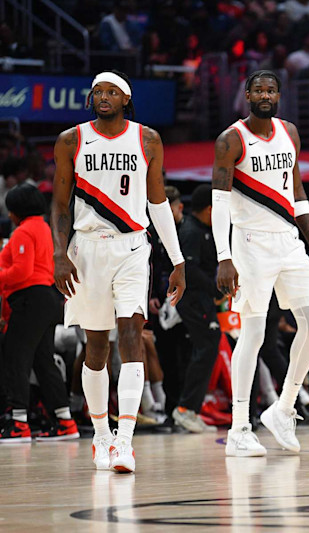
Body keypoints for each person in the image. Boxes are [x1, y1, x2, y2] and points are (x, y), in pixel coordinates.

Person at [52, 70, 186, 473]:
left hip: (132, 245)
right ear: (91, 98)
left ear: (127, 99)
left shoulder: (147, 139)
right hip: (87, 248)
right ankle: (101, 434)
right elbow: (59, 204)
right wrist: (60, 254)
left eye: (112, 92)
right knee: (96, 348)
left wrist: (177, 259)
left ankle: (125, 441)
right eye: (98, 92)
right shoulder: (71, 139)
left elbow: (159, 202)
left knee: (132, 334)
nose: (104, 97)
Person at [211, 70, 309, 457]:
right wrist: (224, 256)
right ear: (247, 95)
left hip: (289, 241)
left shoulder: (289, 132)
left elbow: (297, 190)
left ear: (279, 95)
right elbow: (220, 203)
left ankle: (283, 408)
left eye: (271, 89)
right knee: (254, 333)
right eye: (258, 89)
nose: (265, 94)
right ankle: (239, 428)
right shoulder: (231, 139)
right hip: (249, 244)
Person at [0, 184, 78, 443]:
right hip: (48, 299)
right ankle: (65, 421)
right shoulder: (45, 227)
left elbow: (21, 273)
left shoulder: (23, 231)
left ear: (17, 210)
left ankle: (19, 423)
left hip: (30, 299)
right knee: (44, 361)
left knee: (16, 357)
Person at [172, 185, 219, 433]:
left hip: (200, 299)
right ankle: (185, 409)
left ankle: (190, 409)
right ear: (210, 209)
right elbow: (189, 269)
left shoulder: (201, 229)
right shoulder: (190, 231)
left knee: (206, 347)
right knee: (207, 345)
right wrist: (216, 288)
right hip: (192, 299)